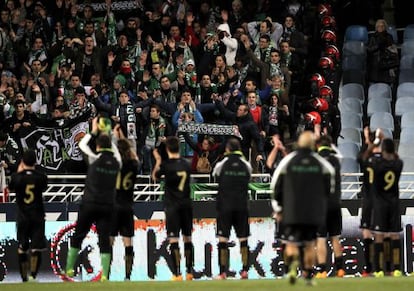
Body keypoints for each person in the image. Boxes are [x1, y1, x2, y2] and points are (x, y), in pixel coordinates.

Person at [270, 131, 335, 285]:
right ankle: (307, 275)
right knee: (309, 245)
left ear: (299, 143)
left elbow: (275, 185)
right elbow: (330, 180)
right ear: (313, 144)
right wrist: (322, 201)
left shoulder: (289, 161)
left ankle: (292, 268)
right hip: (312, 210)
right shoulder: (319, 161)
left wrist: (278, 208)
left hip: (292, 210)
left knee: (291, 243)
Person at [64, 117, 121, 281]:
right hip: (107, 205)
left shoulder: (94, 159)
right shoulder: (117, 162)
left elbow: (81, 145)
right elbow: (115, 151)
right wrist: (109, 134)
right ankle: (104, 275)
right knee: (104, 238)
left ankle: (69, 268)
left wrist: (94, 131)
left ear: (97, 146)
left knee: (79, 235)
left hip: (89, 203)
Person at [151, 136, 194, 281]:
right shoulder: (187, 164)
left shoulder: (166, 165)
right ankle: (189, 272)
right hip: (186, 205)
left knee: (174, 239)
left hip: (173, 206)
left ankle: (177, 274)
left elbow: (155, 177)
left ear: (168, 149)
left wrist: (158, 160)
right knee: (188, 238)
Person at [212, 138, 252, 280]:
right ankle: (245, 271)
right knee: (243, 238)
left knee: (223, 238)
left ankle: (223, 272)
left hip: (225, 206)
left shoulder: (222, 164)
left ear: (228, 149)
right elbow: (249, 176)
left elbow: (214, 174)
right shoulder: (246, 165)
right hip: (241, 205)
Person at [364, 137, 403, 278]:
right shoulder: (398, 164)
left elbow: (366, 157)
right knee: (394, 235)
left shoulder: (377, 164)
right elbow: (396, 157)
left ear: (383, 150)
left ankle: (379, 269)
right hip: (394, 203)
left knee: (379, 236)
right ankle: (397, 268)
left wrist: (374, 143)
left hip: (380, 204)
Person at [9, 149, 48, 282]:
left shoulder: (16, 177)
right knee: (36, 247)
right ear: (35, 162)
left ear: (22, 161)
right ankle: (33, 276)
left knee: (22, 246)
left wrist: (20, 172)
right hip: (37, 216)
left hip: (23, 217)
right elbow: (44, 187)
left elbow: (10, 187)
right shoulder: (41, 177)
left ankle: (24, 278)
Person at [110, 126, 140, 281]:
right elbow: (135, 158)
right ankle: (127, 276)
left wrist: (115, 139)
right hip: (127, 207)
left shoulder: (114, 165)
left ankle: (105, 275)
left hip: (113, 206)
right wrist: (126, 143)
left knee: (110, 241)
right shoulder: (133, 166)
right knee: (128, 242)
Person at [314, 134, 345, 278]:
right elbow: (338, 154)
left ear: (317, 145)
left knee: (320, 239)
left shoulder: (316, 160)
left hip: (320, 205)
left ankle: (322, 270)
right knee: (335, 237)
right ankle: (340, 269)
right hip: (335, 204)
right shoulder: (336, 160)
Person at [358, 127, 382, 276]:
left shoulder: (365, 159)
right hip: (380, 200)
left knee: (366, 232)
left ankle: (368, 267)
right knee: (379, 233)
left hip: (367, 199)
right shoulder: (385, 160)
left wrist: (368, 141)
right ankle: (380, 268)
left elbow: (361, 157)